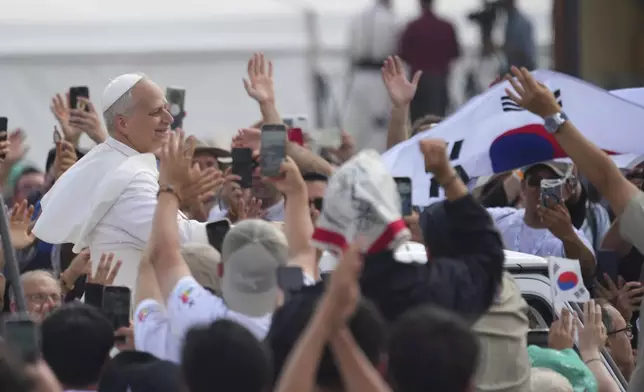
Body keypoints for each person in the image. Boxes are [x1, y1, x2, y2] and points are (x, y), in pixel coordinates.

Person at [32, 73, 218, 290]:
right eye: (156, 112)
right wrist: (249, 236)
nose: (169, 119)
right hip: (129, 314)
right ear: (123, 123)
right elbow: (178, 239)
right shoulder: (129, 177)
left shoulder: (110, 161)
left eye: (167, 109)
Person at [344, 0, 398, 152]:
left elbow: (351, 50)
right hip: (380, 75)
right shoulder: (391, 20)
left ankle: (354, 154)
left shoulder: (358, 18)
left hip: (359, 75)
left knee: (357, 121)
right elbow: (394, 49)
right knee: (379, 123)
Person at [399, 0, 460, 120]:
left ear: (420, 4)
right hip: (439, 80)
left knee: (417, 123)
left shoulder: (412, 27)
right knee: (437, 122)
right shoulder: (447, 26)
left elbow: (403, 54)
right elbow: (455, 53)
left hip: (417, 81)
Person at [498, 0, 536, 70]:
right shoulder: (509, 21)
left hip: (524, 71)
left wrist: (503, 48)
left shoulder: (522, 23)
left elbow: (527, 53)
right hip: (515, 70)